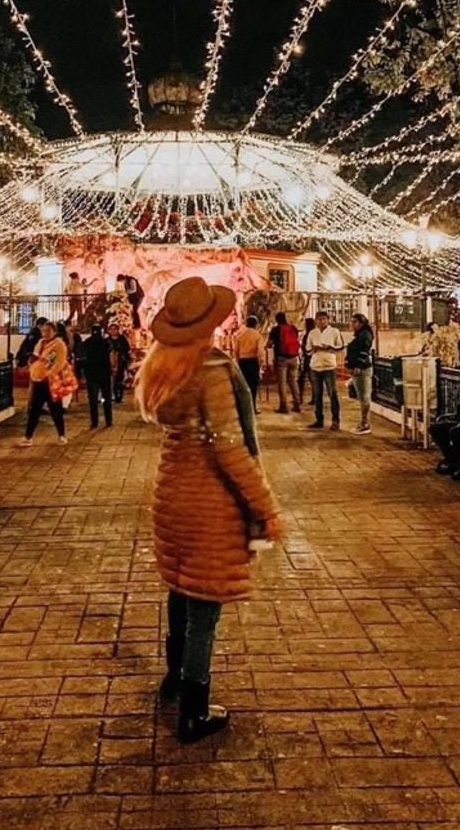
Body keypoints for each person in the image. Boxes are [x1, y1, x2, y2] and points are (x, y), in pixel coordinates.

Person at [135, 276, 283, 742]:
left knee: (181, 589)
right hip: (209, 502)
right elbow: (229, 449)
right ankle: (195, 712)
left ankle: (174, 678)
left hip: (173, 494)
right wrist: (266, 507)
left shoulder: (165, 367)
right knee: (205, 610)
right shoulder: (211, 369)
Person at [19, 322, 70, 447]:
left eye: (48, 331)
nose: (45, 333)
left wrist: (49, 372)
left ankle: (61, 435)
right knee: (34, 410)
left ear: (55, 332)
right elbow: (36, 358)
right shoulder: (41, 343)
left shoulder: (58, 344)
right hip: (39, 381)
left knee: (55, 410)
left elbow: (58, 362)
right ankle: (28, 436)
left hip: (52, 381)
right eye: (43, 331)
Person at [306, 311, 345, 431]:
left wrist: (330, 347)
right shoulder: (312, 333)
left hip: (329, 366)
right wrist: (314, 349)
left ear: (328, 320)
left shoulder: (334, 332)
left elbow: (340, 346)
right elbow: (307, 349)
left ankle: (335, 420)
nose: (321, 321)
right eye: (319, 319)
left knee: (332, 393)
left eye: (323, 319)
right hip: (315, 366)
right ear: (316, 321)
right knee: (317, 395)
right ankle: (319, 419)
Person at [266, 311, 301, 414]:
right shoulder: (293, 328)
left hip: (281, 359)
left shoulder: (275, 330)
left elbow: (269, 344)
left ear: (276, 320)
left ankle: (284, 405)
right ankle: (297, 403)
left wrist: (269, 346)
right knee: (293, 381)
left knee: (282, 383)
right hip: (294, 358)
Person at [345, 312, 374, 435]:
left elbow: (364, 352)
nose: (352, 324)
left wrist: (358, 366)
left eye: (355, 322)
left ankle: (365, 423)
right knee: (361, 396)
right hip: (357, 369)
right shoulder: (359, 335)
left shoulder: (365, 335)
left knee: (364, 397)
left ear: (361, 323)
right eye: (352, 321)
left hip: (362, 370)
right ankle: (363, 422)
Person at [82, 324, 113, 428]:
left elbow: (83, 357)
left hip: (91, 373)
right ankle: (108, 420)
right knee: (106, 397)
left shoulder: (87, 343)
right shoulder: (105, 343)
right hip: (104, 372)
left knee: (93, 399)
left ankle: (94, 422)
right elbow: (110, 354)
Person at [232, 315, 265, 411]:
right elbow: (260, 351)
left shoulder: (240, 335)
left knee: (243, 385)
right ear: (256, 324)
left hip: (242, 362)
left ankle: (243, 407)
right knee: (253, 385)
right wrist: (261, 362)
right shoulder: (257, 335)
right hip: (252, 362)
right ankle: (252, 407)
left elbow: (235, 351)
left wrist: (238, 361)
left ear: (246, 324)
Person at [107, 320, 131, 402]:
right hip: (110, 363)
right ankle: (113, 395)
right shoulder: (107, 340)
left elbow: (127, 349)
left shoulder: (122, 339)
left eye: (115, 329)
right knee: (112, 380)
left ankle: (119, 396)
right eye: (111, 329)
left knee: (120, 380)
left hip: (121, 362)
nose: (113, 331)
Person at [298, 317, 316, 405]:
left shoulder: (307, 334)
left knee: (302, 378)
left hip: (307, 358)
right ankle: (314, 397)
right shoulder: (315, 333)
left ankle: (300, 397)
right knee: (312, 379)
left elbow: (305, 346)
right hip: (313, 358)